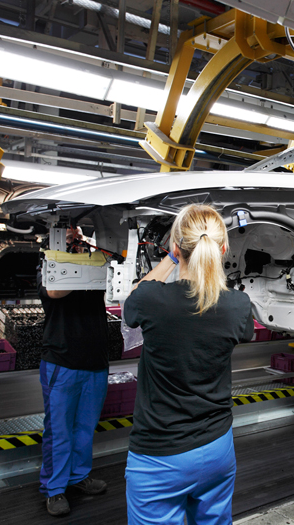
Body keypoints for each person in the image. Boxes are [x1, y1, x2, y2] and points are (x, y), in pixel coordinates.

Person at [123, 204, 254, 525]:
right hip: (217, 448)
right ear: (223, 249)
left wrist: (171, 258)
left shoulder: (151, 300)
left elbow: (134, 299)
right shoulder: (238, 305)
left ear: (176, 247)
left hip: (160, 455)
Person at [38, 226, 110, 517]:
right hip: (62, 362)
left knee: (85, 428)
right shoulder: (48, 267)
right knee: (59, 431)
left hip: (96, 361)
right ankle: (54, 488)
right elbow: (55, 291)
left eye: (78, 238)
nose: (76, 243)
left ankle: (78, 476)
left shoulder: (94, 264)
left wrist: (99, 258)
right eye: (69, 239)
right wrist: (84, 265)